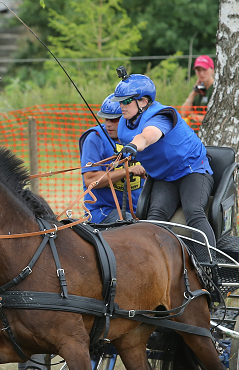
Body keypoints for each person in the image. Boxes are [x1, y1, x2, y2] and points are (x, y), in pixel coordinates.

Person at [112, 70, 218, 246]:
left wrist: (133, 146)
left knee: (194, 212)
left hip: (192, 170)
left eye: (127, 101)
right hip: (164, 176)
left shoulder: (162, 116)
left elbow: (147, 136)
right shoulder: (126, 119)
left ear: (144, 102)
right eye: (120, 101)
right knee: (155, 217)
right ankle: (155, 263)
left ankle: (209, 264)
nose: (122, 105)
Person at [78, 94, 146, 223]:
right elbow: (90, 179)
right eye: (106, 119)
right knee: (133, 228)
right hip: (103, 211)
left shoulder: (143, 137)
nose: (108, 124)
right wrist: (128, 170)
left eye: (114, 119)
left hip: (140, 209)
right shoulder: (95, 138)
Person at [180, 55, 216, 125]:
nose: (201, 73)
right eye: (198, 70)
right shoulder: (197, 89)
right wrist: (193, 94)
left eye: (204, 69)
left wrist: (193, 115)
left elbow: (214, 119)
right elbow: (183, 113)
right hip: (194, 133)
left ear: (212, 70)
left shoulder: (216, 90)